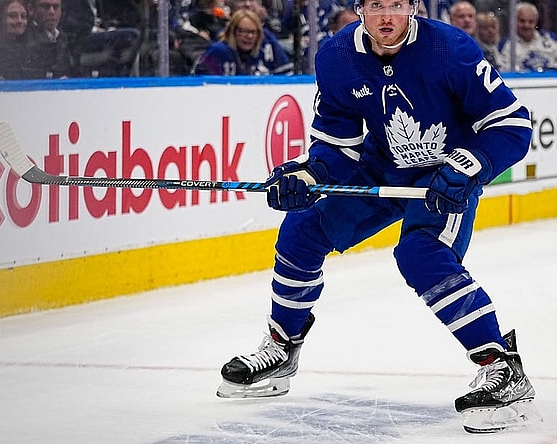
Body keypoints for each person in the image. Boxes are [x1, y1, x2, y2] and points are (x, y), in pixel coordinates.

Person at [216, 0, 540, 434]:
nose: (386, 16)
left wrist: (473, 164)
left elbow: (513, 124)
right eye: (375, 5)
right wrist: (309, 174)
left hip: (443, 178)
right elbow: (336, 146)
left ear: (414, 7)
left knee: (420, 255)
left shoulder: (451, 49)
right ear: (359, 8)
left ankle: (500, 365)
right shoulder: (336, 58)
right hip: (379, 169)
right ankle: (280, 346)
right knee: (302, 231)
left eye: (396, 5)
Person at [193, 9, 292, 74]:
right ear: (233, 31)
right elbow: (199, 82)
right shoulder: (217, 52)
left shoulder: (267, 42)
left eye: (253, 32)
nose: (249, 36)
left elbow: (287, 75)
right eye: (243, 31)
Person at [497, 1, 557, 71]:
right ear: (514, 21)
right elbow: (503, 69)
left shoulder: (550, 38)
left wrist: (547, 74)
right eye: (522, 21)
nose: (526, 25)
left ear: (536, 22)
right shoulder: (506, 44)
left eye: (531, 22)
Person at [0, 0, 30, 79]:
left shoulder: (32, 44)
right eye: (12, 16)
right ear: (0, 19)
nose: (19, 21)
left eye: (23, 16)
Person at [25, 0, 73, 78]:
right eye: (45, 7)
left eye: (56, 7)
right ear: (31, 9)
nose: (52, 12)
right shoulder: (25, 38)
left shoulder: (64, 38)